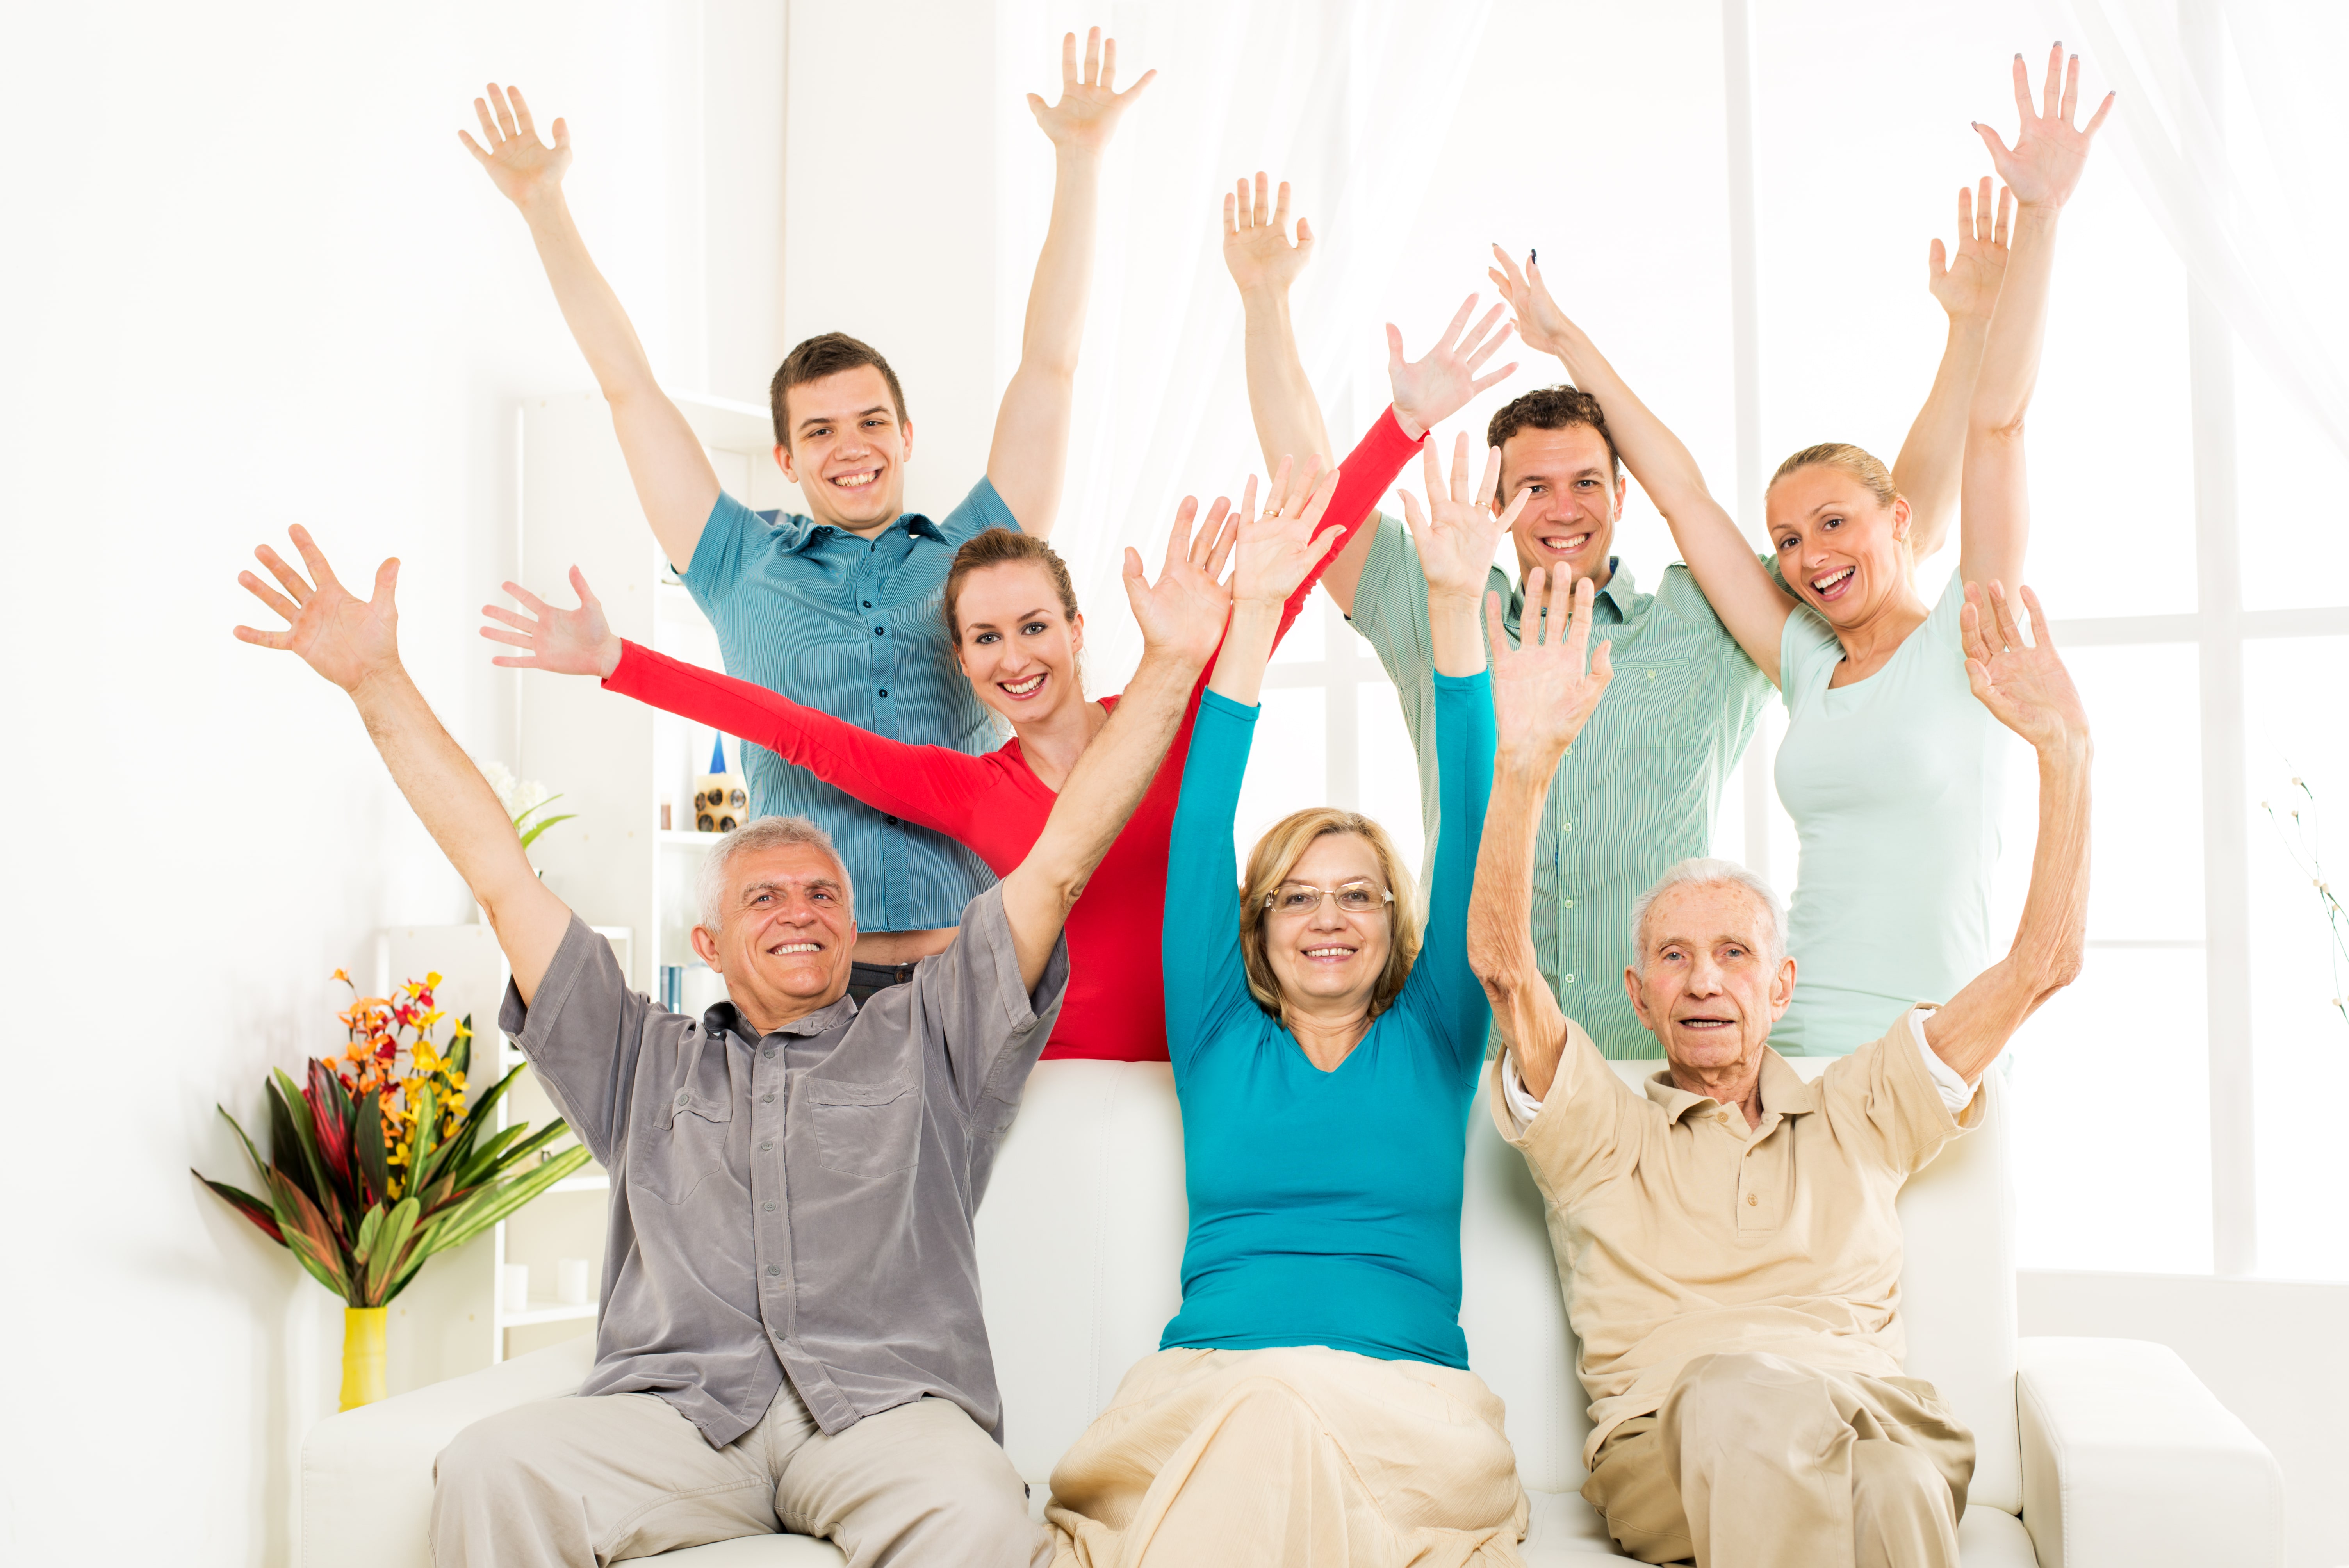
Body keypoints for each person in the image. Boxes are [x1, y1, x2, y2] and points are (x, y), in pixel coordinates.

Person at [230, 511, 1230, 1567]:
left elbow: (1062, 861)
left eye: (822, 894)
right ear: (707, 940)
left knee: (978, 1509)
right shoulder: (637, 1057)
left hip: (883, 1417)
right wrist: (375, 681)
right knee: (494, 1467)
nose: (798, 910)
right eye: (765, 895)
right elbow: (500, 877)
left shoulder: (935, 1033)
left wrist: (1170, 663)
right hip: (679, 1419)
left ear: (853, 929)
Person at [478, 307, 1511, 1062]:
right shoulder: (973, 791)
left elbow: (1286, 587)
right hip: (1032, 1086)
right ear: (961, 662)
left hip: (1202, 1065)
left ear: (1075, 630)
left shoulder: (1171, 724)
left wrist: (1403, 426)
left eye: (1032, 628)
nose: (1014, 658)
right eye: (984, 640)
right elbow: (796, 732)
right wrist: (616, 662)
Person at [1230, 170, 2010, 1058]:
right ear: (1493, 501)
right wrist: (1264, 300)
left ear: (1620, 496)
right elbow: (1312, 493)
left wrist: (1967, 336)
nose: (1560, 509)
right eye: (1531, 488)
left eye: (1584, 484)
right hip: (1472, 1053)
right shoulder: (1439, 603)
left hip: (1662, 1065)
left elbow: (1897, 529)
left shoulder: (1703, 621)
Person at [460, 28, 1151, 1000]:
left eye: (872, 421)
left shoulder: (974, 563)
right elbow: (628, 388)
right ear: (784, 458)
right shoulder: (735, 559)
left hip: (984, 967)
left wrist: (1079, 163)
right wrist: (544, 209)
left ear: (907, 434)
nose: (851, 445)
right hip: (810, 974)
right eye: (820, 431)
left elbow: (1051, 364)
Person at [1485, 45, 2109, 1054]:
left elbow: (2000, 426)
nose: (1807, 554)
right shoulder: (1807, 661)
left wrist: (2039, 219)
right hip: (1788, 1041)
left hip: (1931, 1038)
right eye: (1785, 537)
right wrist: (1568, 344)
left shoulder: (1974, 631)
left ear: (1900, 519)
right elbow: (1682, 493)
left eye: (1832, 524)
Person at [1469, 570, 2091, 1566]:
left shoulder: (1863, 1106)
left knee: (1890, 1475)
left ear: (1781, 985)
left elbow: (2040, 966)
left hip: (1871, 1420)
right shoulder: (1597, 1129)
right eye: (1672, 957)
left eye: (1733, 954)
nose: (1702, 981)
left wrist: (2065, 751)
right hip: (1671, 1445)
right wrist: (1523, 764)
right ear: (1637, 996)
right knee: (1734, 1390)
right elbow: (1503, 969)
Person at [1044, 440, 1542, 1566]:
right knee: (1263, 1427)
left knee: (1284, 1438)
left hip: (1404, 1407)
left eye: (1359, 896)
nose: (1330, 920)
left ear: (1396, 922)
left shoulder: (1438, 1034)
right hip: (1214, 1391)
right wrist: (1252, 615)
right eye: (1298, 899)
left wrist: (1458, 605)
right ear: (1257, 927)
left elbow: (1468, 823)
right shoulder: (1218, 1035)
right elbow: (1200, 814)